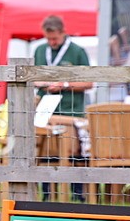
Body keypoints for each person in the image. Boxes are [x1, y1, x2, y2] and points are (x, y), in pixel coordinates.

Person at [33, 15, 92, 202]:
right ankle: (47, 195)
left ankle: (76, 194)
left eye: (55, 39)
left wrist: (64, 84)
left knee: (74, 153)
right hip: (46, 110)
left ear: (63, 33)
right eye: (48, 39)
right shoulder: (40, 50)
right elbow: (32, 77)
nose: (51, 42)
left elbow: (89, 82)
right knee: (46, 152)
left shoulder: (77, 52)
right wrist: (41, 82)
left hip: (71, 111)